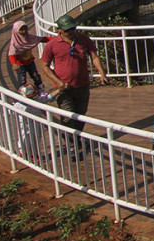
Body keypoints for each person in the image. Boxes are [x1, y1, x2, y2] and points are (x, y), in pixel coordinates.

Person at [36, 14, 110, 158]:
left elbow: (94, 57)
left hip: (82, 86)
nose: (71, 32)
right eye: (67, 30)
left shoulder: (83, 40)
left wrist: (102, 74)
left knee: (80, 115)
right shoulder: (52, 45)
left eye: (73, 29)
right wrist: (58, 81)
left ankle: (76, 139)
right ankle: (72, 147)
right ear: (59, 30)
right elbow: (44, 66)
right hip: (64, 89)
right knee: (67, 117)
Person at [8, 20, 49, 92]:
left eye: (25, 29)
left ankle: (41, 90)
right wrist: (14, 63)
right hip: (20, 65)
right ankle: (22, 93)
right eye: (21, 30)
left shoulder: (29, 38)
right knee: (22, 80)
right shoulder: (15, 42)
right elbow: (11, 54)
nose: (24, 31)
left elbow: (41, 39)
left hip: (30, 62)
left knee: (36, 76)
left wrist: (55, 39)